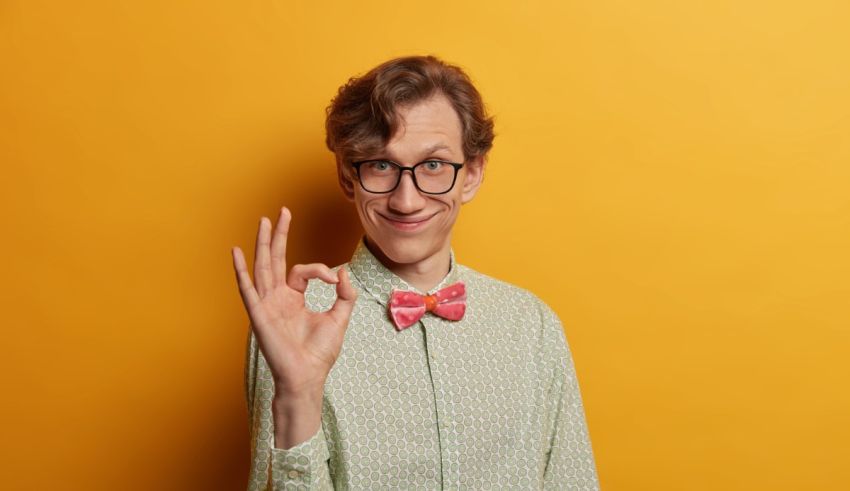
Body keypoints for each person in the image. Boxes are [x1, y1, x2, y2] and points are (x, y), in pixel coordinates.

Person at [231, 55, 599, 490]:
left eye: (433, 165)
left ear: (473, 174)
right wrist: (298, 394)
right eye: (381, 165)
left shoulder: (531, 325)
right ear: (348, 177)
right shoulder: (294, 323)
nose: (406, 201)